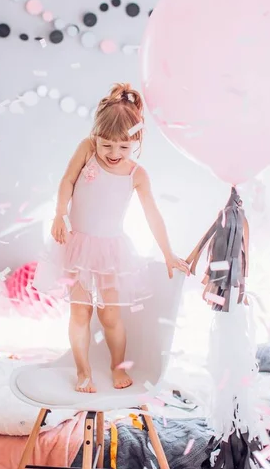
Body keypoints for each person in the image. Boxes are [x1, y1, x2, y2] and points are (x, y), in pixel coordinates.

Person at [34, 83, 189, 393]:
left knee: (110, 316)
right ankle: (82, 372)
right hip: (77, 246)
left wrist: (168, 253)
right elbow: (66, 181)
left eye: (123, 147)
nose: (114, 153)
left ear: (136, 142)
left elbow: (153, 216)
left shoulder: (137, 174)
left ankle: (118, 367)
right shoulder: (87, 150)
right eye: (107, 145)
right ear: (96, 138)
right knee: (79, 311)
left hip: (110, 252)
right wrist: (59, 214)